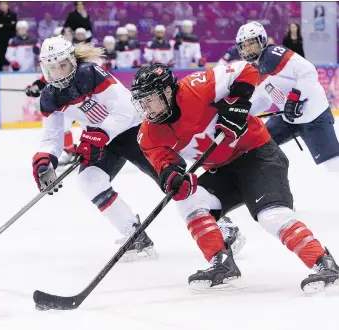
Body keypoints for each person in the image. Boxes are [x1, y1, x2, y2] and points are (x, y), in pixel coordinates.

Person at [130, 61, 339, 292]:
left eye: (149, 99)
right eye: (142, 102)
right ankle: (222, 264)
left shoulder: (198, 88)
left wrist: (238, 103)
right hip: (221, 171)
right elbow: (164, 164)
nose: (146, 108)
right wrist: (173, 179)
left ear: (167, 92)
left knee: (271, 216)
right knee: (188, 199)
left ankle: (324, 263)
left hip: (258, 156)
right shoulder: (149, 133)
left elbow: (245, 69)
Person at [31, 36, 159, 261]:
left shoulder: (90, 73)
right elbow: (52, 137)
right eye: (53, 68)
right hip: (104, 138)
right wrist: (44, 160)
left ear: (73, 61)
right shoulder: (49, 97)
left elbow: (125, 110)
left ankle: (221, 226)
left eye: (63, 65)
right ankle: (135, 234)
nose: (59, 73)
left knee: (169, 178)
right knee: (89, 179)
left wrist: (96, 136)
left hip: (134, 129)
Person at [238, 22, 339, 173]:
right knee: (257, 145)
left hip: (314, 116)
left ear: (262, 40)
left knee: (334, 167)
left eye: (251, 43)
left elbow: (308, 71)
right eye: (243, 45)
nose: (247, 48)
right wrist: (243, 111)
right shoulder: (253, 69)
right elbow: (263, 99)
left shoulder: (274, 54)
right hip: (288, 118)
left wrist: (294, 98)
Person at [24, 75, 78, 167]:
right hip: (57, 104)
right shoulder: (52, 68)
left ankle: (71, 152)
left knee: (65, 126)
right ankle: (69, 151)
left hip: (70, 102)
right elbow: (43, 81)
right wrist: (34, 87)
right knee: (57, 128)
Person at [0, 1, 17, 71]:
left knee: (11, 59)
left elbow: (14, 27)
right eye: (1, 4)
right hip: (0, 42)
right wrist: (8, 25)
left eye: (4, 4)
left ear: (8, 5)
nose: (3, 6)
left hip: (10, 42)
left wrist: (2, 25)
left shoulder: (13, 15)